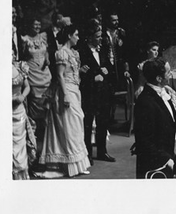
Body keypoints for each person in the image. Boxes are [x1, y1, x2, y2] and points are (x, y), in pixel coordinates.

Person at [38, 25, 91, 178]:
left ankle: (78, 164)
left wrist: (80, 72)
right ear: (69, 35)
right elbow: (60, 76)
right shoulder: (61, 52)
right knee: (70, 126)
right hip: (65, 91)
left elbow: (70, 73)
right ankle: (69, 165)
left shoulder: (73, 53)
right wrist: (66, 94)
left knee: (76, 124)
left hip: (75, 90)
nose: (78, 38)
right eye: (76, 34)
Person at [132, 58, 176, 179]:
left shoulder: (162, 93)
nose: (170, 74)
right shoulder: (145, 102)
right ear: (159, 79)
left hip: (166, 152)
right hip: (155, 162)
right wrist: (166, 160)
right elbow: (144, 140)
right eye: (168, 72)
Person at [79, 21, 116, 164]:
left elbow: (110, 67)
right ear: (89, 37)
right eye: (97, 36)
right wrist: (93, 77)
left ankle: (102, 152)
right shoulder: (82, 51)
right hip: (89, 93)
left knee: (103, 122)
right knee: (88, 124)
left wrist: (107, 70)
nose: (100, 39)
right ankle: (87, 153)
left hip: (103, 92)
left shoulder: (103, 49)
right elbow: (80, 73)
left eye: (101, 36)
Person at [137, 42, 176, 135]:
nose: (156, 52)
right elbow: (147, 81)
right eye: (154, 50)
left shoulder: (160, 64)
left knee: (174, 98)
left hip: (159, 87)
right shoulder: (144, 66)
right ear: (147, 51)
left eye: (157, 50)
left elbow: (160, 82)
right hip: (144, 87)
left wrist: (168, 88)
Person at [21, 18, 52, 150]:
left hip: (45, 75)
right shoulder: (25, 38)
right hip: (33, 76)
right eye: (35, 24)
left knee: (46, 109)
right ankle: (35, 145)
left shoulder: (43, 36)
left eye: (39, 24)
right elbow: (23, 56)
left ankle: (46, 145)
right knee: (35, 111)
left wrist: (47, 59)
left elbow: (47, 52)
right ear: (30, 25)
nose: (38, 26)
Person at [12, 58, 36, 180]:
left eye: (11, 53)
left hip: (19, 111)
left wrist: (22, 96)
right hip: (7, 110)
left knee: (20, 143)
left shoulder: (19, 67)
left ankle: (22, 175)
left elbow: (27, 87)